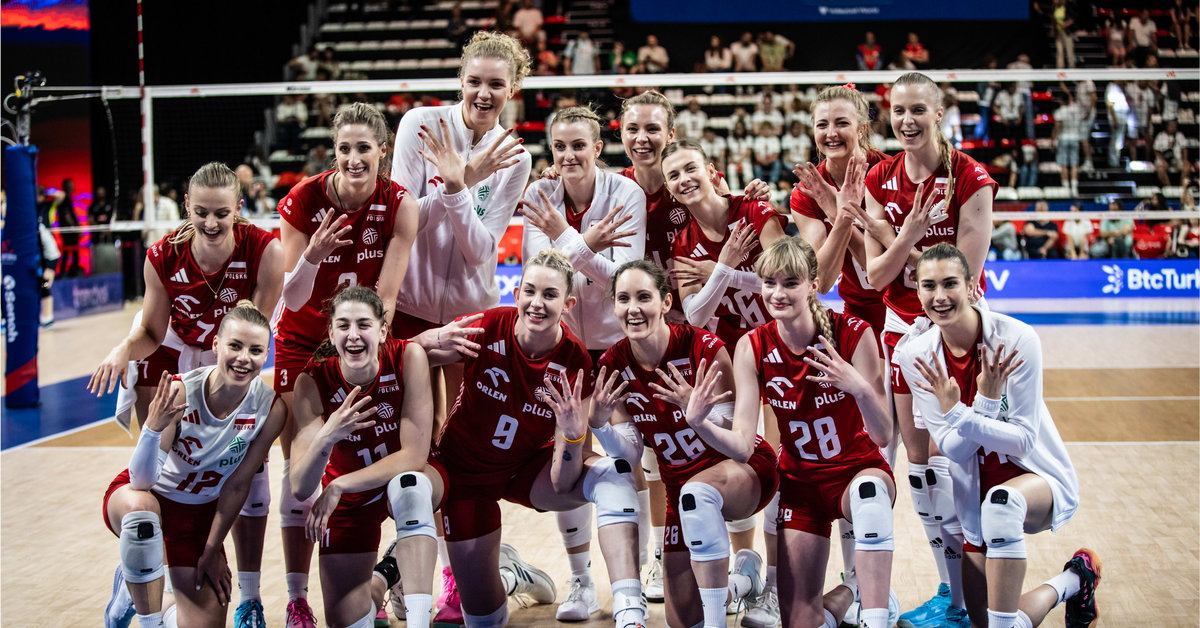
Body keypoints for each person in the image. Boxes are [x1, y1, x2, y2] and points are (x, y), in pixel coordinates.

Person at [90, 161, 283, 628]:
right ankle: (143, 564)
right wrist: (121, 350)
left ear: (239, 209)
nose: (211, 224)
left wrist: (212, 546)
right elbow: (152, 331)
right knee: (160, 468)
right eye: (201, 213)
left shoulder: (264, 250)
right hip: (175, 357)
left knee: (249, 475)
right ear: (186, 209)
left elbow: (247, 338)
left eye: (221, 213)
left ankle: (249, 599)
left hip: (228, 356)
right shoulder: (162, 255)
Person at [427, 249, 647, 628]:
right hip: (464, 476)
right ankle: (514, 576)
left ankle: (629, 607)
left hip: (528, 469)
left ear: (568, 304)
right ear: (516, 294)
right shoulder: (484, 326)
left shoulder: (575, 360)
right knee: (484, 619)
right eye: (530, 291)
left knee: (614, 475)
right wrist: (429, 339)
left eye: (550, 295)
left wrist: (574, 435)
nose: (537, 303)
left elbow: (563, 483)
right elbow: (404, 355)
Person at [894, 243, 1098, 628]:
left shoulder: (1016, 338)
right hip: (975, 498)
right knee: (986, 623)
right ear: (918, 292)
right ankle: (1073, 581)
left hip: (1037, 480)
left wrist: (959, 413)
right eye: (928, 286)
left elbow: (1021, 440)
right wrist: (983, 405)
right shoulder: (915, 355)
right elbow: (953, 450)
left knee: (1001, 504)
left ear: (972, 287)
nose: (939, 297)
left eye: (950, 283)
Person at [273, 102, 420, 627]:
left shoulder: (401, 202)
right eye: (344, 149)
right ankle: (296, 598)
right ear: (332, 152)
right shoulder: (303, 200)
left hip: (362, 336)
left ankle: (393, 579)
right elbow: (290, 300)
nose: (354, 159)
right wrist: (312, 257)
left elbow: (388, 295)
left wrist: (363, 346)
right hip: (304, 341)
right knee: (303, 470)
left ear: (383, 151)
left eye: (364, 148)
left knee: (390, 455)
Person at [863, 71, 997, 628]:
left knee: (959, 466)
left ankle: (982, 593)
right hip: (900, 331)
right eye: (898, 111)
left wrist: (906, 242)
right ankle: (951, 594)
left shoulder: (970, 177)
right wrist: (906, 239)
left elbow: (960, 279)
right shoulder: (879, 176)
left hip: (957, 334)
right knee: (919, 466)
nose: (907, 120)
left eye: (919, 109)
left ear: (939, 113)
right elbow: (874, 277)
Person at [593, 258, 779, 628]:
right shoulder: (614, 362)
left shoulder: (703, 346)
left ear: (665, 302)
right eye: (623, 299)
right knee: (682, 618)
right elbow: (629, 454)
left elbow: (737, 441)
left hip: (744, 472)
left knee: (697, 493)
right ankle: (742, 582)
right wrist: (598, 425)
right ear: (613, 305)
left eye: (643, 297)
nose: (633, 309)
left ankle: (717, 623)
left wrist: (698, 415)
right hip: (681, 489)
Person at [519, 107, 648, 621]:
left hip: (618, 344)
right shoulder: (539, 196)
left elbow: (626, 279)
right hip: (565, 346)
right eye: (559, 147)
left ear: (599, 148)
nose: (568, 155)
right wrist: (589, 244)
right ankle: (579, 581)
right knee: (567, 461)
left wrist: (566, 242)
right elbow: (541, 276)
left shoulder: (627, 194)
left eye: (579, 145)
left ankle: (634, 579)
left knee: (628, 456)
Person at [739, 236, 895, 627]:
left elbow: (884, 435)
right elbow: (743, 437)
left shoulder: (853, 333)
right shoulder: (753, 346)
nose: (777, 293)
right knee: (800, 623)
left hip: (856, 471)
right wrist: (698, 417)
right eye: (769, 283)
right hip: (801, 483)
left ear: (813, 284)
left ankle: (876, 617)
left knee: (870, 496)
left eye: (790, 283)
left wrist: (857, 386)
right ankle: (852, 590)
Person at [101, 303, 286, 628]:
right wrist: (153, 429)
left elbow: (238, 485)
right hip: (150, 499)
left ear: (266, 353)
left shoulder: (270, 408)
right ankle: (148, 618)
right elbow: (141, 479)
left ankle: (138, 586)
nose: (244, 358)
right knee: (141, 518)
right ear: (216, 345)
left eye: (256, 350)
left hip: (199, 517)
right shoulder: (180, 390)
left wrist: (213, 547)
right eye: (235, 346)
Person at [289, 286, 443, 627]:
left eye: (363, 324)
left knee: (409, 486)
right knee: (349, 620)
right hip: (352, 496)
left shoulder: (408, 356)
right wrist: (327, 435)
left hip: (400, 478)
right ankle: (386, 575)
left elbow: (414, 455)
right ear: (330, 332)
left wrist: (340, 483)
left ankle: (419, 620)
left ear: (383, 330)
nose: (353, 335)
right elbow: (300, 486)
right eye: (343, 326)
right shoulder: (312, 381)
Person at [789, 84, 889, 357]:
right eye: (822, 124)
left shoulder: (892, 174)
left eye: (841, 123)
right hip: (859, 311)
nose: (831, 133)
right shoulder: (809, 191)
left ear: (861, 128)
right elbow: (821, 281)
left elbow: (884, 276)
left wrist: (835, 211)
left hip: (904, 306)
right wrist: (842, 218)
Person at [1053, 91, 1083, 195]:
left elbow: (1057, 126)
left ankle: (1066, 188)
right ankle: (1074, 188)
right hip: (1075, 138)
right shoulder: (1076, 109)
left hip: (1064, 138)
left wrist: (1053, 139)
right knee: (1074, 164)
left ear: (1061, 101)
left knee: (1064, 164)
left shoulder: (1060, 111)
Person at [1154, 120, 1187, 187]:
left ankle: (1182, 188)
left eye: (1175, 126)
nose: (1173, 127)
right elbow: (1156, 150)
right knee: (1160, 169)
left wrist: (1185, 160)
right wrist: (1163, 160)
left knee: (1187, 167)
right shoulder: (1161, 136)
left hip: (1177, 160)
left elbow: (1184, 149)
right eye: (1171, 126)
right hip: (1164, 160)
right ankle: (1169, 188)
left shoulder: (1179, 135)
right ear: (1167, 126)